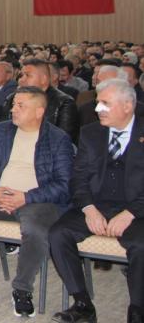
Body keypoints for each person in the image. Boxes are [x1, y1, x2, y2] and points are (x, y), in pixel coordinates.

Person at [0, 87, 74, 318]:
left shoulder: (58, 139)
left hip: (37, 200)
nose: (13, 110)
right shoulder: (2, 130)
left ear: (39, 111)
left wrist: (26, 197)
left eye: (20, 106)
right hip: (1, 194)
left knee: (34, 229)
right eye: (13, 104)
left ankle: (22, 289)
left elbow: (64, 185)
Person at [49, 79, 144, 323]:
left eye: (105, 103)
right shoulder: (91, 132)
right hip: (97, 205)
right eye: (98, 102)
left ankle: (138, 309)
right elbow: (78, 178)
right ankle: (83, 304)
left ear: (128, 106)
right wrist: (89, 208)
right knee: (58, 234)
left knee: (141, 245)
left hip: (137, 210)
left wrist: (130, 213)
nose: (98, 109)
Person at [2, 58, 79, 143]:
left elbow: (63, 141)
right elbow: (3, 133)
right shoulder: (11, 99)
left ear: (43, 79)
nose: (21, 80)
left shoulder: (64, 103)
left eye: (28, 75)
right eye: (21, 75)